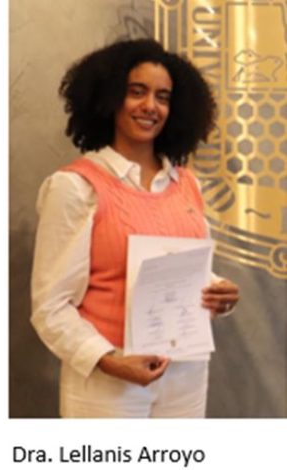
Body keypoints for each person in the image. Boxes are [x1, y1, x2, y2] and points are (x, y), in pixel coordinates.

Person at [31, 39, 240, 418]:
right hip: (109, 382)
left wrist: (218, 292)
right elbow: (50, 307)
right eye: (136, 92)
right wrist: (108, 360)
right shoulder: (75, 187)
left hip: (187, 373)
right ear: (109, 98)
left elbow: (186, 271)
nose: (150, 106)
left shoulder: (187, 184)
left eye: (163, 97)